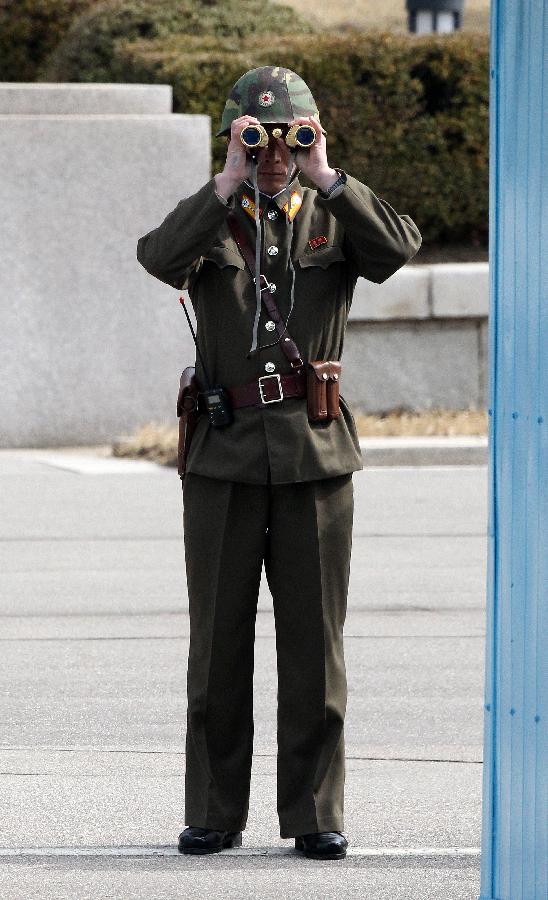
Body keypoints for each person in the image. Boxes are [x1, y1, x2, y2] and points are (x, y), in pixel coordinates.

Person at [136, 65, 422, 860]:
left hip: (316, 455)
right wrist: (223, 183)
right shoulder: (212, 222)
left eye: (292, 137)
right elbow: (157, 257)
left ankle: (315, 813)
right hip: (225, 459)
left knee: (313, 647)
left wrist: (330, 175)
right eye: (254, 140)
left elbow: (398, 246)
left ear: (312, 137)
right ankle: (213, 811)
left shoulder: (332, 217)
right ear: (233, 139)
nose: (273, 155)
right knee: (217, 645)